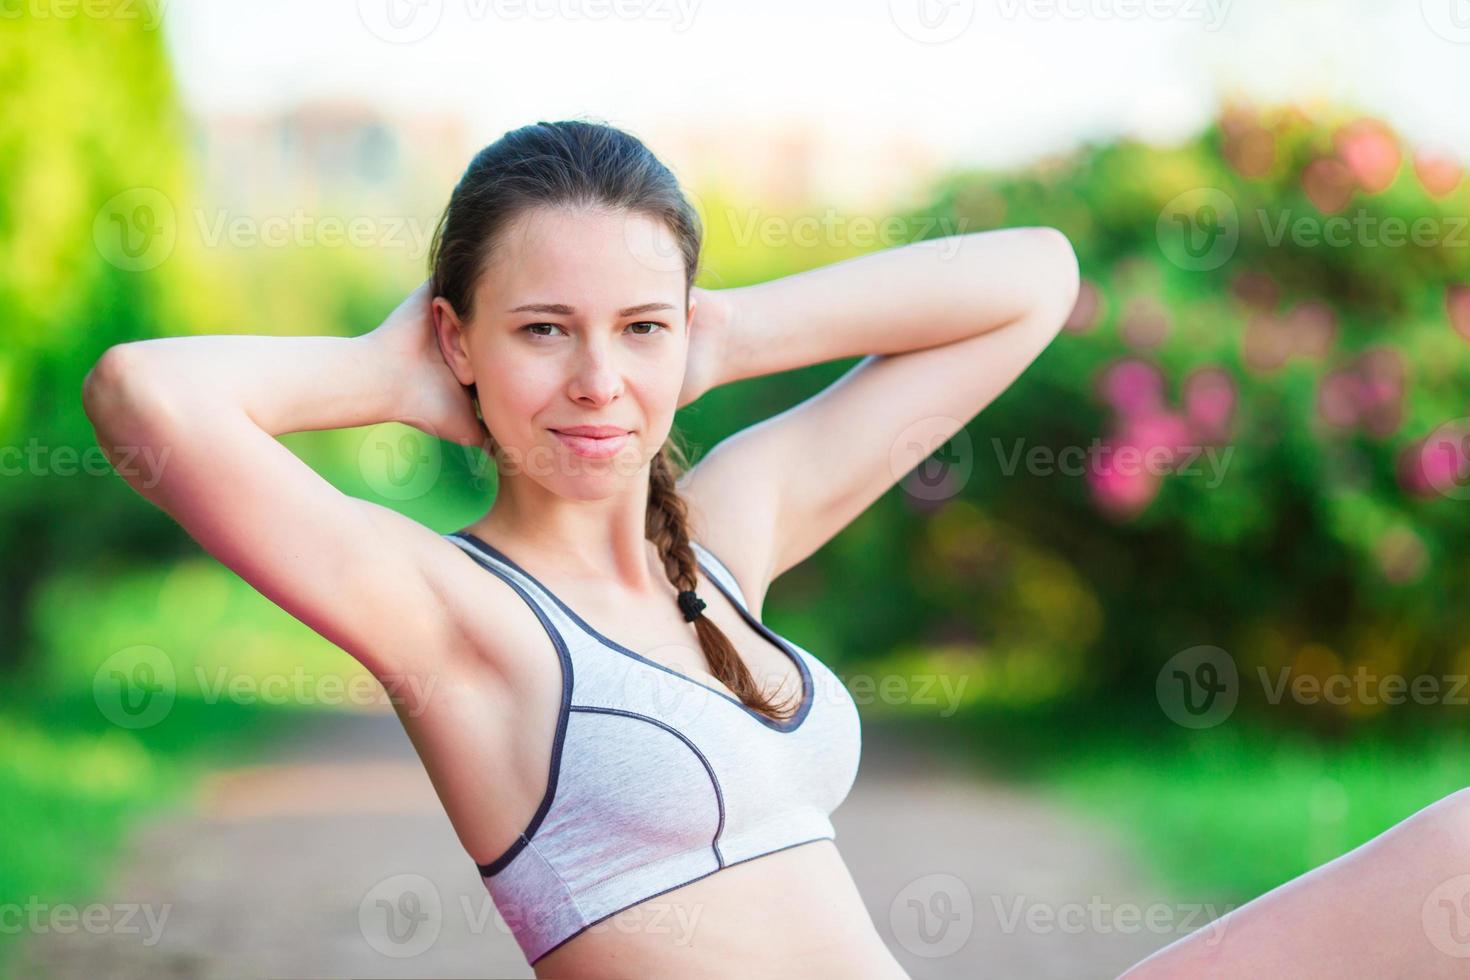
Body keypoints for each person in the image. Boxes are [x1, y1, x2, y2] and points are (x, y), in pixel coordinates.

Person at [88, 118, 1468, 978]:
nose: (596, 384)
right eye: (540, 329)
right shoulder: (453, 614)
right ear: (460, 342)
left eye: (637, 328)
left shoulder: (725, 543)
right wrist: (388, 371)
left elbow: (1031, 278)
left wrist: (728, 333)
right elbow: (146, 397)